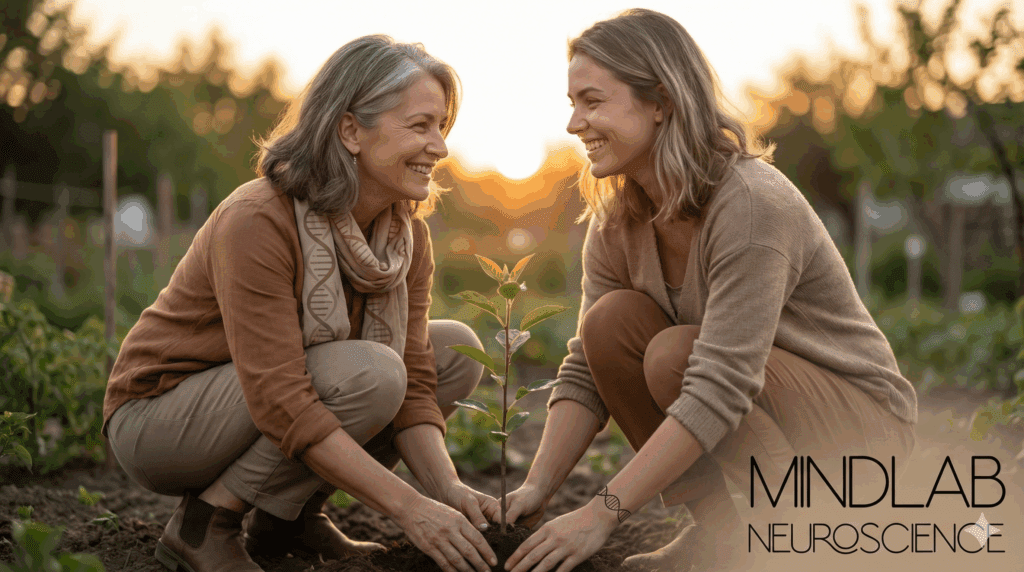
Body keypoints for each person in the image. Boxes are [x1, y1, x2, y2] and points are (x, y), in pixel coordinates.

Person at [493, 9, 918, 572]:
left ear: (661, 101)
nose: (575, 124)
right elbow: (587, 371)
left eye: (592, 102)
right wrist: (538, 488)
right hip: (759, 400)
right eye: (571, 103)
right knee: (609, 324)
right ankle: (718, 532)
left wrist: (603, 511)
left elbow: (720, 383)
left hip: (860, 429)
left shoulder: (749, 206)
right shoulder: (618, 219)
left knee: (675, 356)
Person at [102, 35, 501, 572]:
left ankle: (286, 519)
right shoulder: (258, 219)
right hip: (161, 418)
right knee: (372, 373)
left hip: (262, 402)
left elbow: (417, 386)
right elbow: (279, 396)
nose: (441, 147)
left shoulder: (406, 238)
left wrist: (448, 492)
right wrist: (411, 509)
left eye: (442, 127)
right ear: (350, 131)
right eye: (420, 125)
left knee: (453, 349)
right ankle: (206, 525)